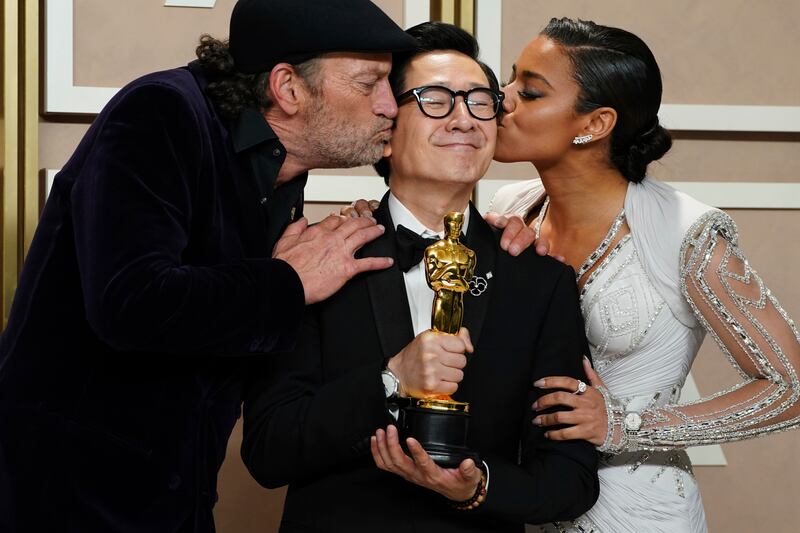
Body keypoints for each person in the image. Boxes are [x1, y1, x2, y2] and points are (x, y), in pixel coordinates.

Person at [0, 1, 423, 531]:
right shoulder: (161, 112)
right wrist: (289, 281)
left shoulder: (278, 165)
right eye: (369, 84)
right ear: (287, 87)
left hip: (173, 496)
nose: (390, 105)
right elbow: (129, 302)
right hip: (68, 497)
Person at [241, 22, 599, 533]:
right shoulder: (317, 260)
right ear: (384, 131)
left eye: (480, 101)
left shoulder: (539, 278)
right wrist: (389, 381)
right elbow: (267, 451)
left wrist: (475, 488)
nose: (464, 120)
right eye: (435, 99)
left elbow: (571, 479)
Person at [490, 17, 800, 533]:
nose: (502, 99)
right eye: (509, 80)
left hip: (641, 512)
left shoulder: (687, 235)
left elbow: (789, 387)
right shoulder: (511, 209)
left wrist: (626, 425)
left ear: (595, 123)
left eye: (529, 91)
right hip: (530, 500)